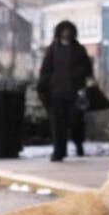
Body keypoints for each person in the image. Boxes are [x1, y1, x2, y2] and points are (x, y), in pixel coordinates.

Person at [36, 20, 93, 161]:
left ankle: (78, 144)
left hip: (75, 94)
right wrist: (42, 86)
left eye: (69, 30)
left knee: (75, 122)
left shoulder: (79, 49)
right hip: (56, 93)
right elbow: (46, 69)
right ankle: (59, 151)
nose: (66, 33)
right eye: (64, 30)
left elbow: (87, 70)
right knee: (57, 124)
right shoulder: (53, 49)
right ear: (59, 32)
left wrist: (81, 81)